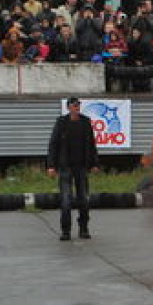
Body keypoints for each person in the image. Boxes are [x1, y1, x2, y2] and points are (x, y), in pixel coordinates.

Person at [46, 97, 99, 241]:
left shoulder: (85, 122)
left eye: (78, 105)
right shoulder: (61, 123)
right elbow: (53, 145)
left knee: (84, 199)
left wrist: (94, 163)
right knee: (66, 200)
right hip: (65, 167)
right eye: (74, 105)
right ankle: (66, 231)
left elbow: (92, 144)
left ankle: (83, 228)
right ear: (68, 107)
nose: (77, 108)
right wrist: (51, 165)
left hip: (81, 166)